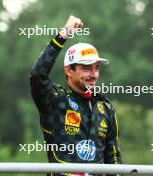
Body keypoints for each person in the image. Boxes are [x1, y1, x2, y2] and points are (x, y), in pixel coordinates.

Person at [29, 15, 122, 176]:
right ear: (68, 70)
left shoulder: (106, 108)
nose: (94, 74)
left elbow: (114, 160)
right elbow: (37, 76)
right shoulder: (55, 99)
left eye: (97, 68)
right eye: (86, 68)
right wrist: (63, 34)